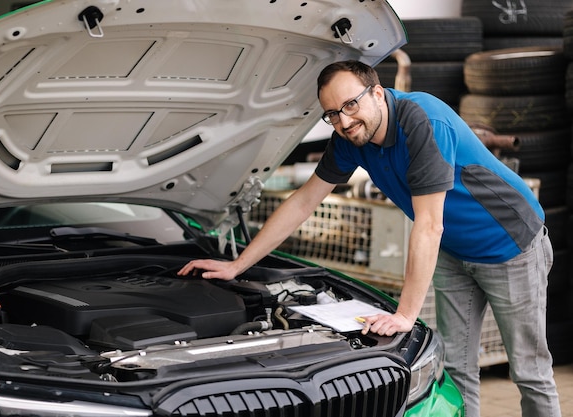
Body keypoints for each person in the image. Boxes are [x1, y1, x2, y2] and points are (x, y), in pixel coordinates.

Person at [178, 60, 561, 417]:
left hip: (509, 243)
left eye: (350, 105)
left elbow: (429, 225)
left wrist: (405, 315)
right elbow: (303, 202)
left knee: (529, 370)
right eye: (332, 114)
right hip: (453, 248)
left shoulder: (422, 120)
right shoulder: (350, 138)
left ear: (378, 93)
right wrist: (238, 264)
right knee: (456, 369)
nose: (343, 121)